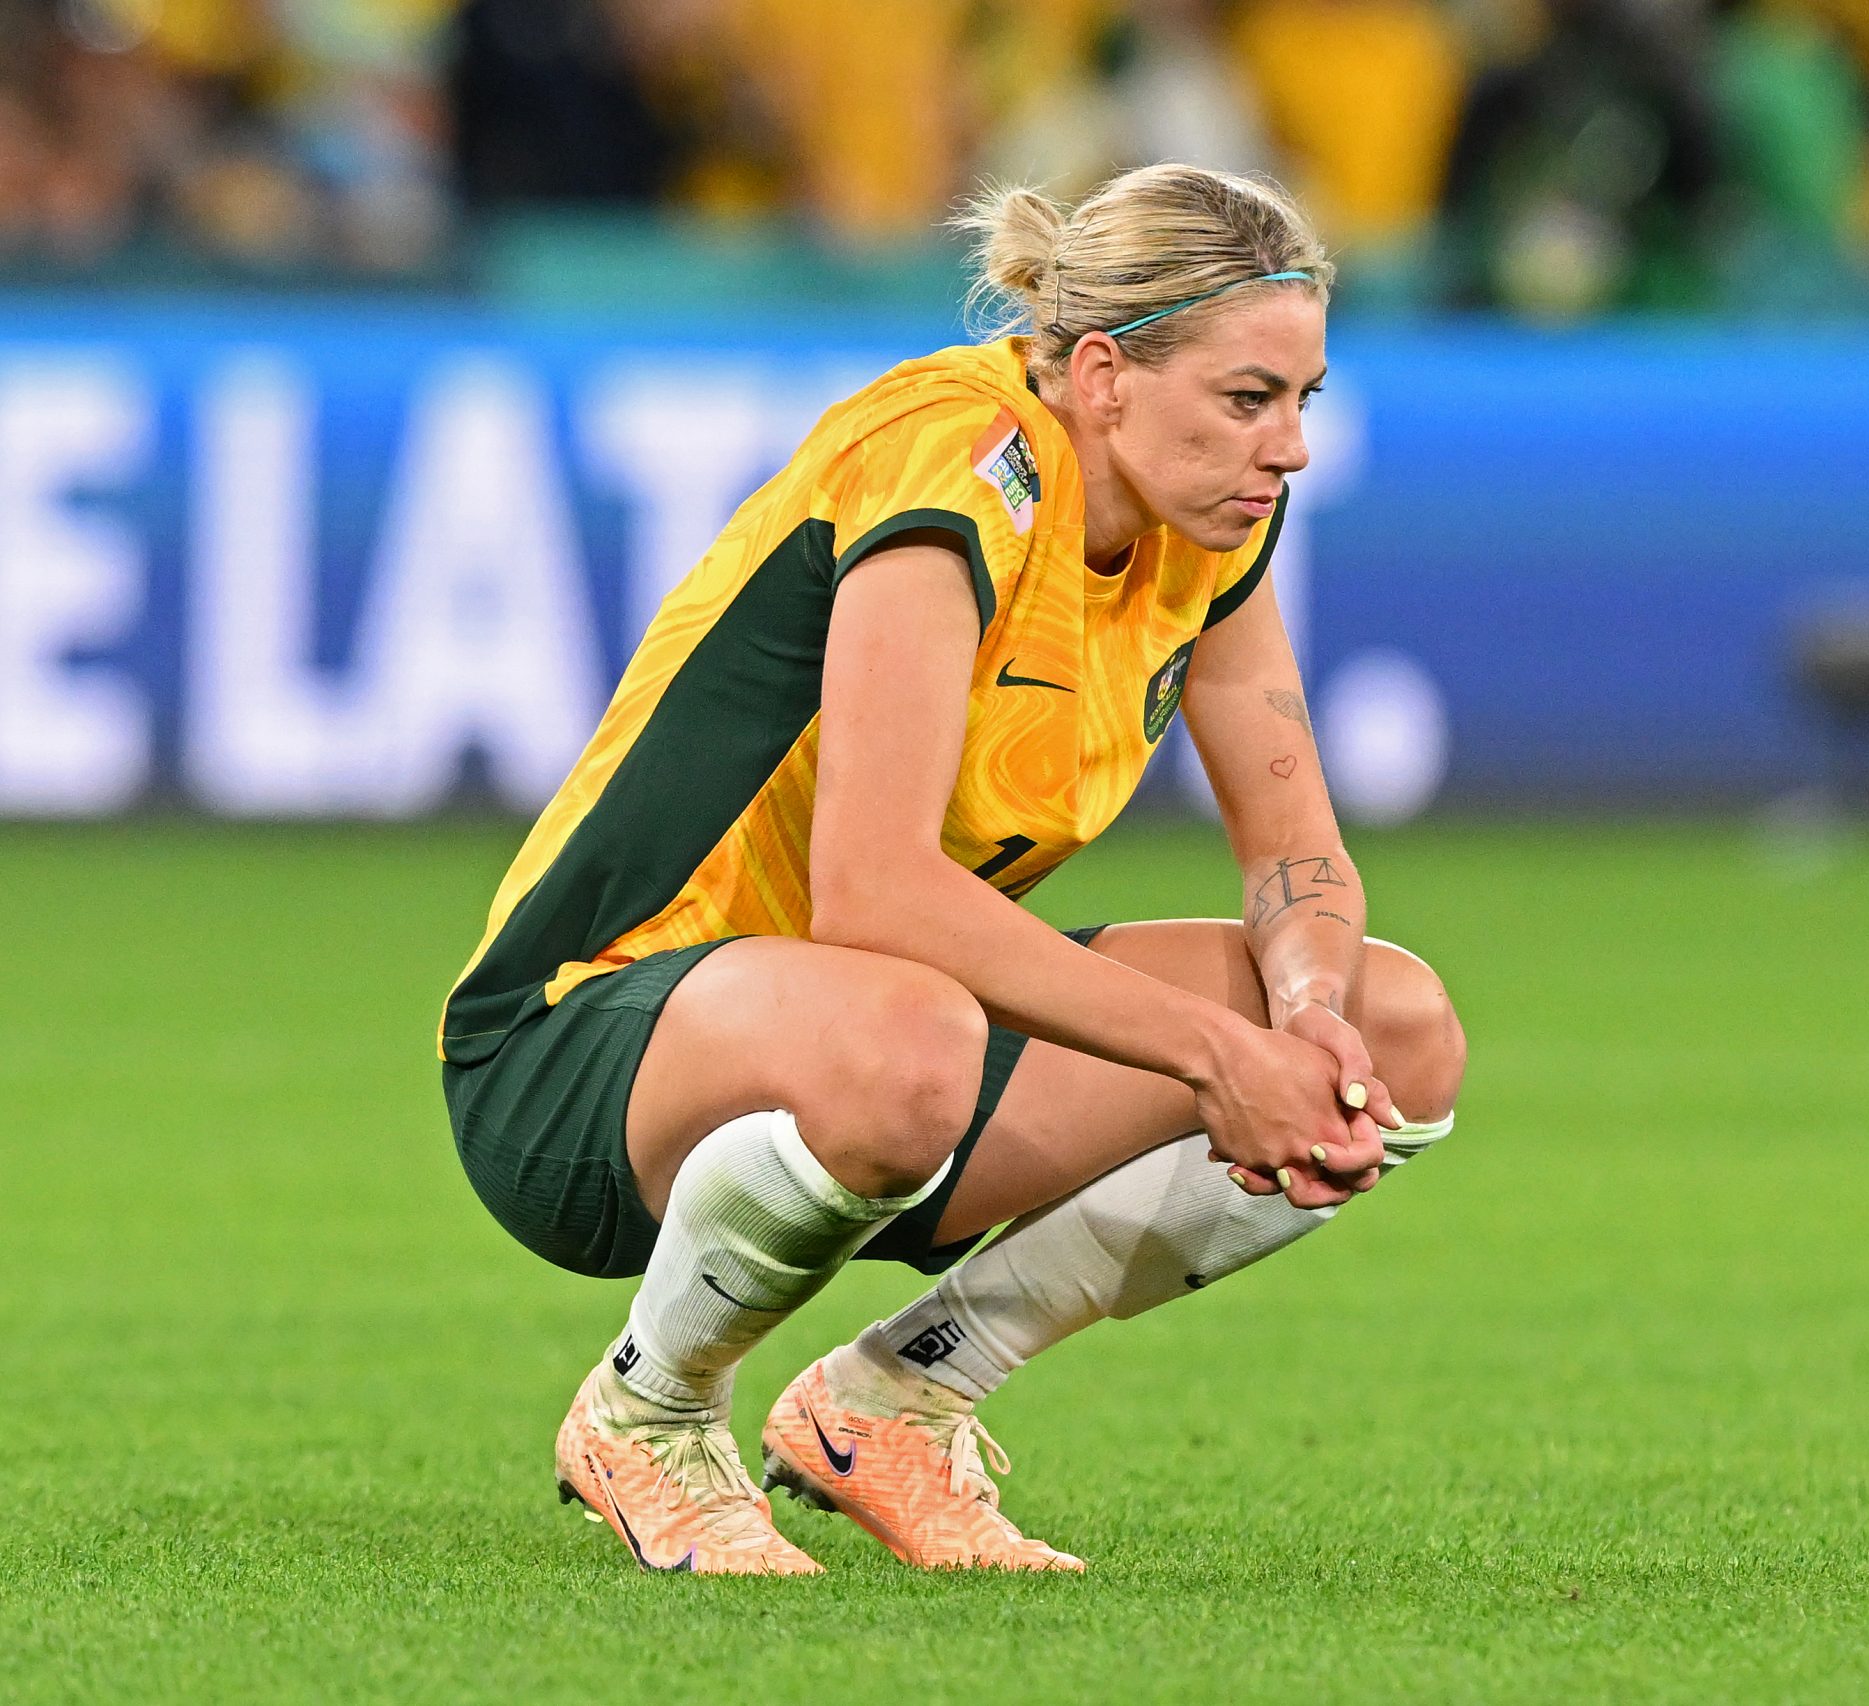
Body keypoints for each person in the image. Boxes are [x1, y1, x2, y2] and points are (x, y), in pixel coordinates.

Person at [437, 163, 1468, 1576]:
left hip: (883, 1050)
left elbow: (1298, 856)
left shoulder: (1212, 522)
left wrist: (1307, 1015)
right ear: (1101, 372)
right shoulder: (953, 462)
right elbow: (873, 889)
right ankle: (650, 1407)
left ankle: (899, 1399)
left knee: (1394, 1031)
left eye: (1306, 401)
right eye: (1248, 399)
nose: (1289, 447)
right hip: (579, 1050)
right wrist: (1221, 1056)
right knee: (914, 1029)